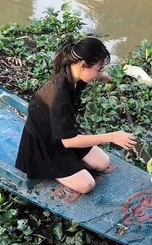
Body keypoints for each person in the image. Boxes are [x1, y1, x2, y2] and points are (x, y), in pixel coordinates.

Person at [15, 37, 136, 194]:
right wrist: (112, 136)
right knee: (87, 185)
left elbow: (89, 72)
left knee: (103, 162)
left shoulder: (73, 73)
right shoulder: (59, 95)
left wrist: (100, 76)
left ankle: (71, 165)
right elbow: (68, 141)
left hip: (61, 133)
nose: (98, 72)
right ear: (83, 65)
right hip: (45, 144)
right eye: (98, 69)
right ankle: (51, 170)